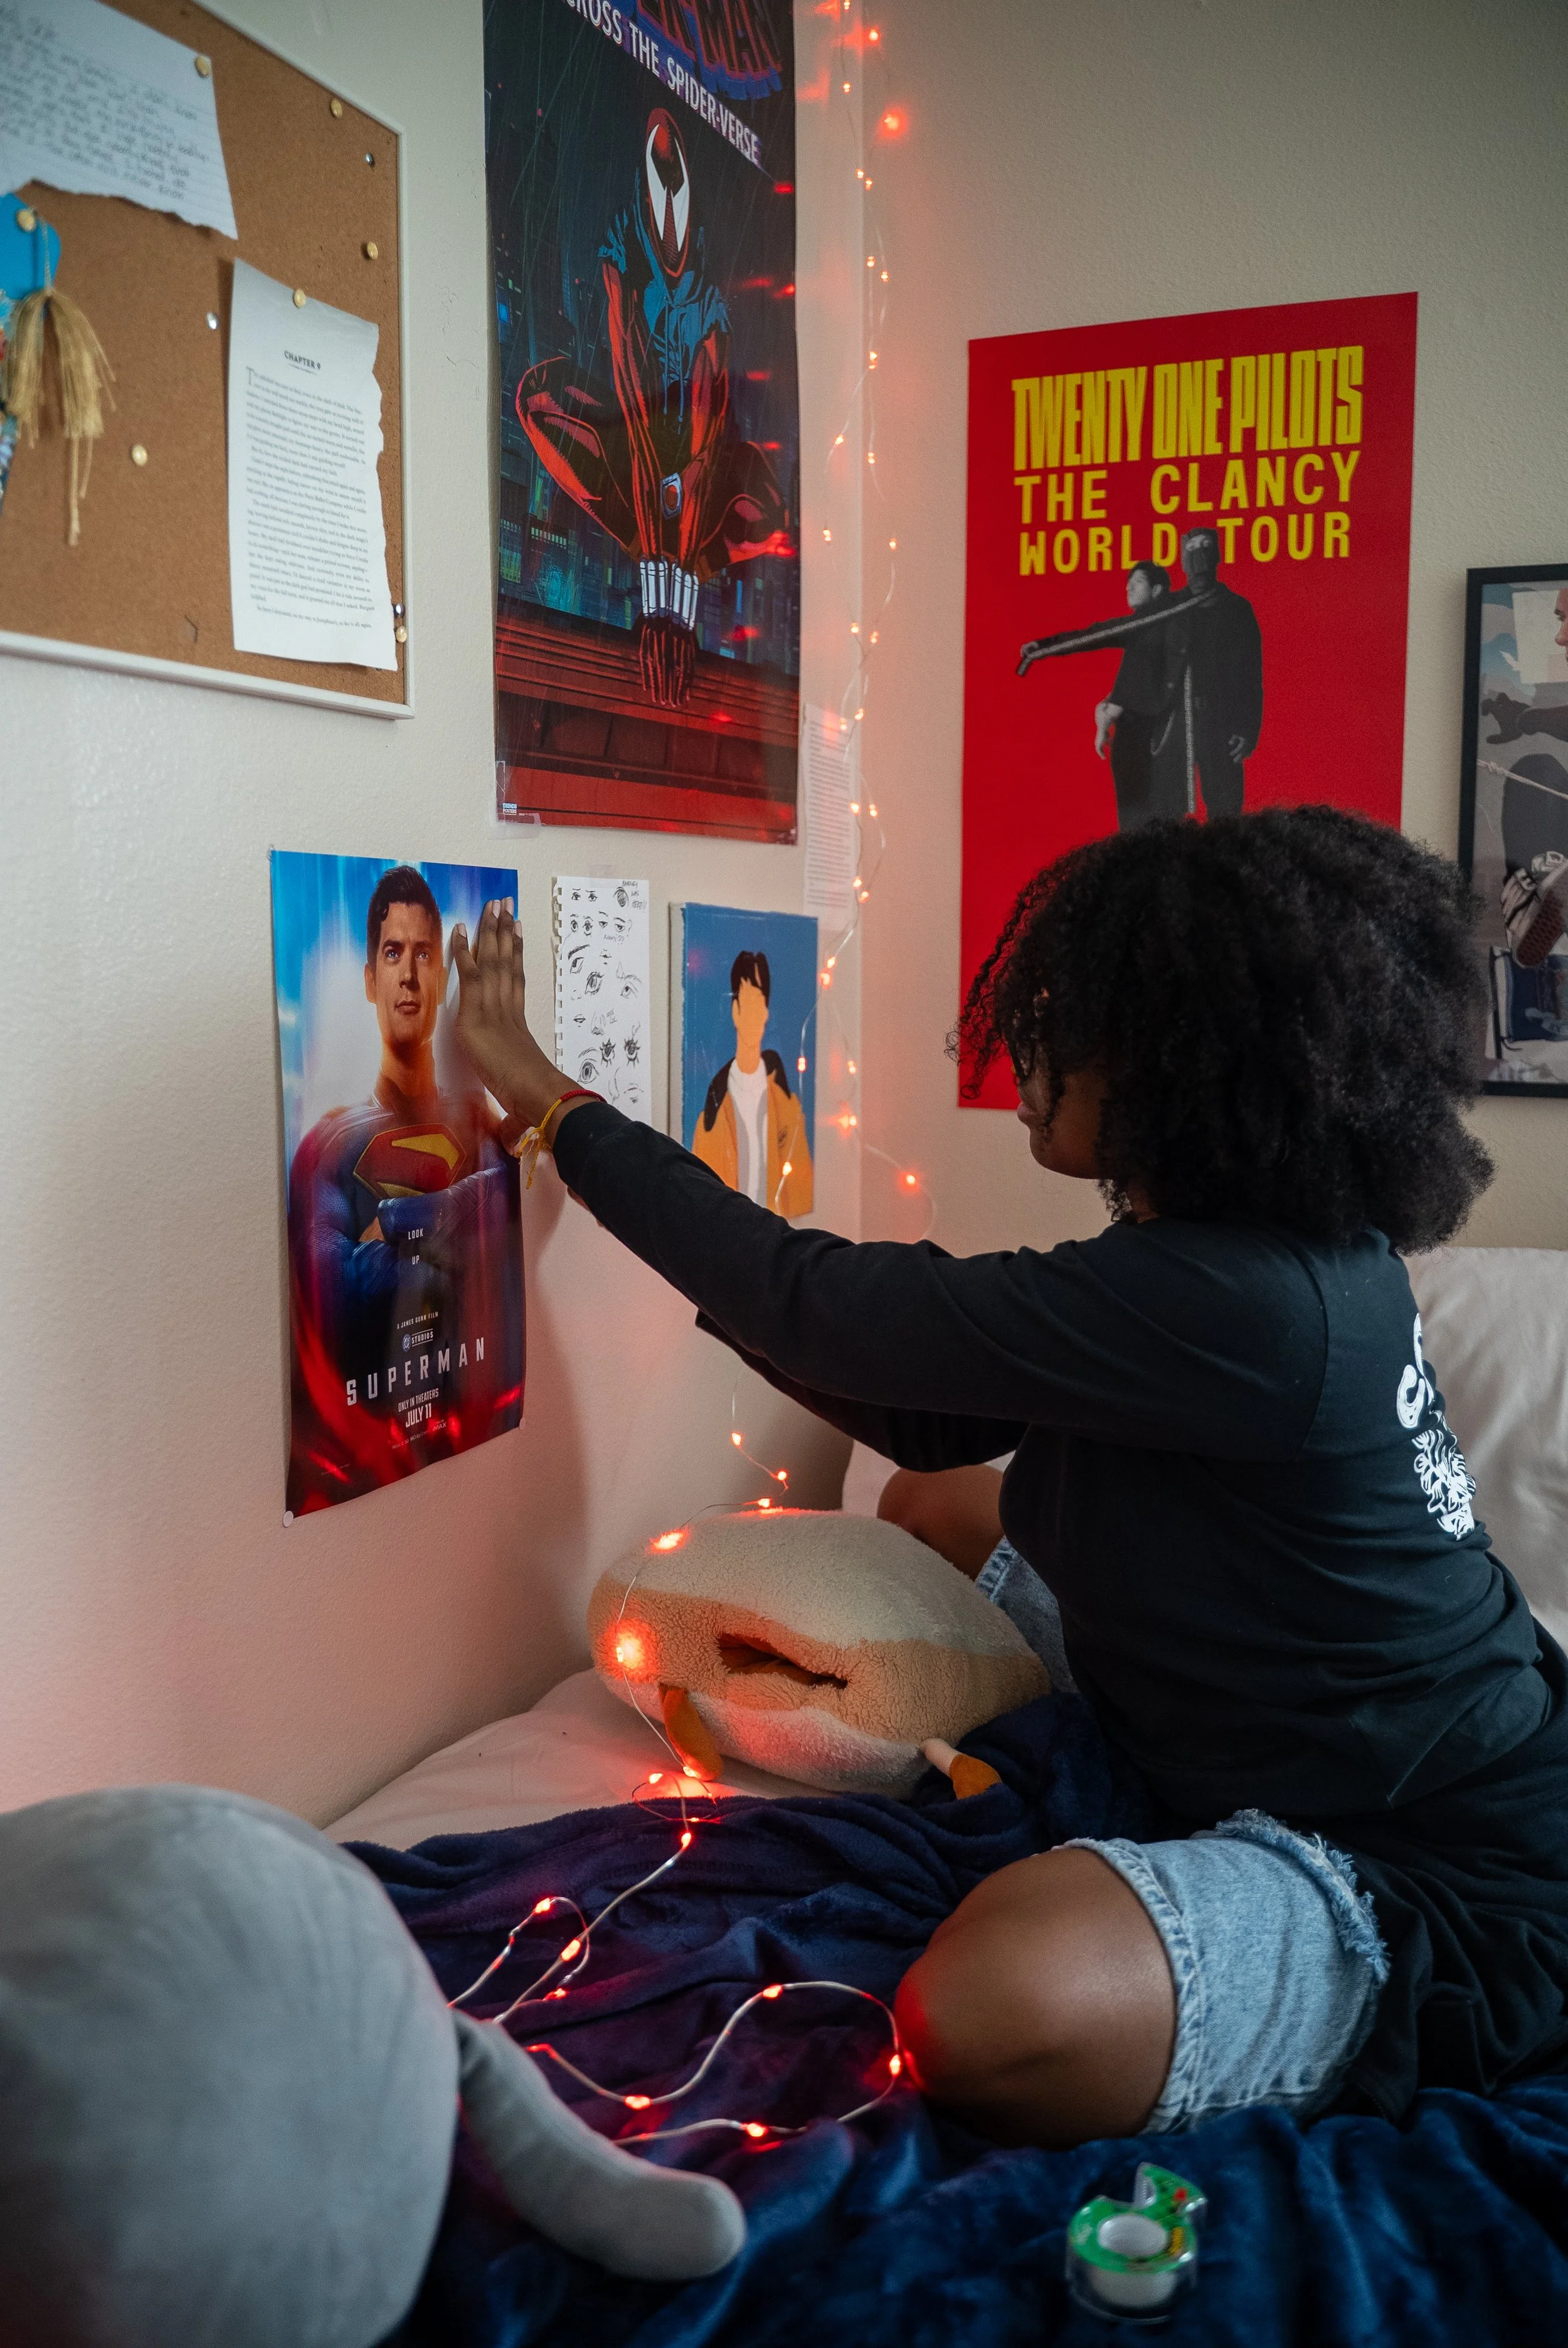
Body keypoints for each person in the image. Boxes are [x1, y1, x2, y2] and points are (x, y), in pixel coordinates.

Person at [447, 810, 1568, 2150]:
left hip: (1432, 1850)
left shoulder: (1247, 1301)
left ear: (1183, 1065)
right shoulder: (1252, 1252)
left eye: (1068, 1023)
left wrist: (558, 1107)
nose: (1024, 1055)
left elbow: (824, 1306)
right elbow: (921, 1421)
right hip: (1301, 1714)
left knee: (983, 2006)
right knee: (929, 1508)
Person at [516, 108, 789, 709]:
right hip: (633, 454)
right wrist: (660, 585)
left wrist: (680, 581)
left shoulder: (711, 302)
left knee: (763, 505)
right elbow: (631, 401)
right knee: (539, 400)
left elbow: (705, 440)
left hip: (693, 479)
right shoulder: (623, 254)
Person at [285, 866, 521, 1514]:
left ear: (442, 975)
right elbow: (343, 1300)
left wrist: (400, 1222)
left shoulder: (478, 1122)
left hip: (481, 1463)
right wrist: (469, 1213)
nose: (410, 975)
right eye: (393, 953)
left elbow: (501, 1215)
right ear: (370, 979)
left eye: (423, 953)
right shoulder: (326, 1148)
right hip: (362, 1480)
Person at [1018, 529, 1263, 821]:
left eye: (1205, 549)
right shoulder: (1168, 608)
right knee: (1168, 816)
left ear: (1217, 557)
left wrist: (1248, 729)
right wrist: (1044, 647)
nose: (1199, 560)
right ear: (1184, 560)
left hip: (1220, 724)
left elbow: (1250, 676)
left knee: (1227, 815)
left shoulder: (1238, 610)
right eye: (1192, 550)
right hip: (1172, 725)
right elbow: (1104, 632)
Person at [690, 950, 812, 1217]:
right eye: (750, 1001)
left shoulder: (788, 1107)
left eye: (761, 1002)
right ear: (735, 1011)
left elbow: (801, 1199)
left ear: (767, 1013)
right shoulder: (710, 1120)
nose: (757, 1014)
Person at [1091, 561, 1173, 831]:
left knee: (1138, 816)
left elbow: (1140, 683)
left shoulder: (1155, 627)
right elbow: (1133, 679)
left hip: (1145, 733)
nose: (1128, 587)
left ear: (1157, 589)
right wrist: (1106, 709)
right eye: (1128, 581)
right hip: (1134, 731)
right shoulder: (1147, 626)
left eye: (1137, 582)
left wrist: (1107, 716)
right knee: (1135, 816)